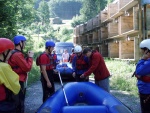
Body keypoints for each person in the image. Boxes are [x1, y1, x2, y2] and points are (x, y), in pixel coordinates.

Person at [8, 35, 34, 113]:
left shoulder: (13, 52)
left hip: (13, 80)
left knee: (16, 102)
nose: (25, 44)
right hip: (18, 81)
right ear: (20, 43)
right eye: (24, 42)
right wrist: (30, 57)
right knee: (19, 102)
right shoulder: (17, 55)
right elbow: (27, 68)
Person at [0, 38, 20, 113]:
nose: (11, 54)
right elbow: (16, 87)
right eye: (10, 51)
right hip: (3, 104)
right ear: (4, 52)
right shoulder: (3, 67)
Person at [135, 39, 150, 113]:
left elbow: (138, 71)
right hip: (146, 90)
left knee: (146, 110)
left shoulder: (148, 63)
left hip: (147, 91)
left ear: (147, 50)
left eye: (143, 50)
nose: (142, 52)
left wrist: (142, 59)